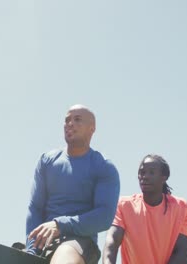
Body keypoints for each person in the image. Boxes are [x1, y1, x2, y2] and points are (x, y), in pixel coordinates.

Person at [25, 104, 120, 264]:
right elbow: (35, 208)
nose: (70, 123)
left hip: (79, 242)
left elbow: (104, 217)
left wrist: (60, 225)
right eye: (67, 120)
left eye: (77, 120)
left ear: (92, 129)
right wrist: (31, 249)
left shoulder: (104, 167)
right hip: (43, 243)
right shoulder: (47, 161)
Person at [102, 154, 187, 264]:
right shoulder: (124, 205)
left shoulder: (182, 208)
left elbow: (181, 254)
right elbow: (112, 242)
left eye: (151, 172)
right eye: (142, 172)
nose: (145, 176)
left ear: (164, 177)